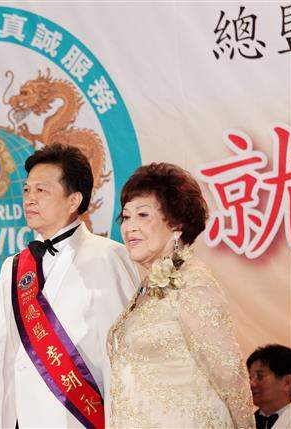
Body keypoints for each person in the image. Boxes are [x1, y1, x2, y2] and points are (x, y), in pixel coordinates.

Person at [0, 144, 139, 428]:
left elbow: (124, 355)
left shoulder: (107, 256)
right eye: (26, 190)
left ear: (74, 200)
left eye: (41, 190)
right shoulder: (13, 267)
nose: (29, 199)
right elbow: (2, 358)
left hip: (80, 417)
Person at [107, 162, 254, 428]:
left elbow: (229, 373)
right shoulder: (147, 287)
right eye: (126, 217)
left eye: (143, 215)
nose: (129, 227)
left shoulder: (193, 282)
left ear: (176, 224)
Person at [247, 344, 291, 429]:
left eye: (260, 376)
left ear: (287, 383)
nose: (251, 384)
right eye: (250, 377)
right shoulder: (244, 422)